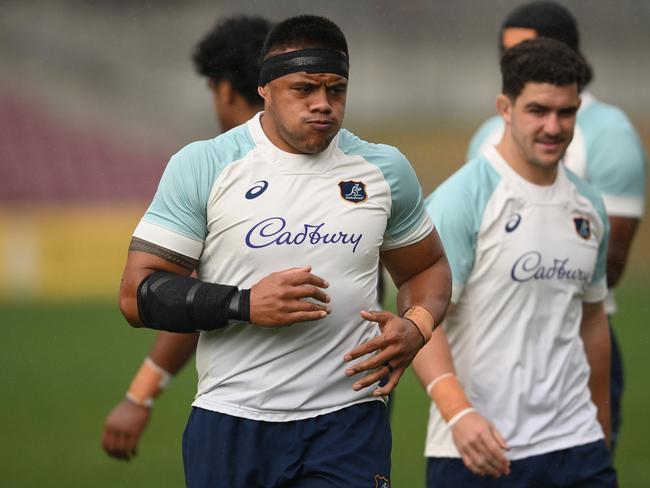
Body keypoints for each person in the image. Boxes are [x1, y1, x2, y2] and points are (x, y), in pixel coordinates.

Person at [118, 14, 451, 488]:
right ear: (265, 89)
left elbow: (428, 267)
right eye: (304, 89)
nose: (324, 104)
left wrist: (417, 326)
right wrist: (243, 303)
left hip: (349, 422)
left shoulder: (383, 168)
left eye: (336, 90)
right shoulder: (205, 165)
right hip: (232, 420)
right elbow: (138, 295)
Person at [413, 37, 618, 486]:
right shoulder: (462, 200)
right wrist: (458, 413)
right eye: (538, 111)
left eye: (566, 112)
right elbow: (420, 320)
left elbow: (592, 320)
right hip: (477, 449)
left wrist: (600, 431)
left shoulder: (589, 206)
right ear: (505, 108)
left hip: (576, 445)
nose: (553, 126)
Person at [466, 1, 647, 452]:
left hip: (573, 346)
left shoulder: (608, 133)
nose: (512, 64)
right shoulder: (488, 133)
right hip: (491, 351)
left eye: (525, 51)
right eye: (505, 54)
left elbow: (611, 264)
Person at [101, 15, 273, 461]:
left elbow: (192, 298)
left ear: (224, 90)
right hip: (354, 407)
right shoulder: (351, 165)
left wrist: (139, 396)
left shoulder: (218, 169)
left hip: (251, 413)